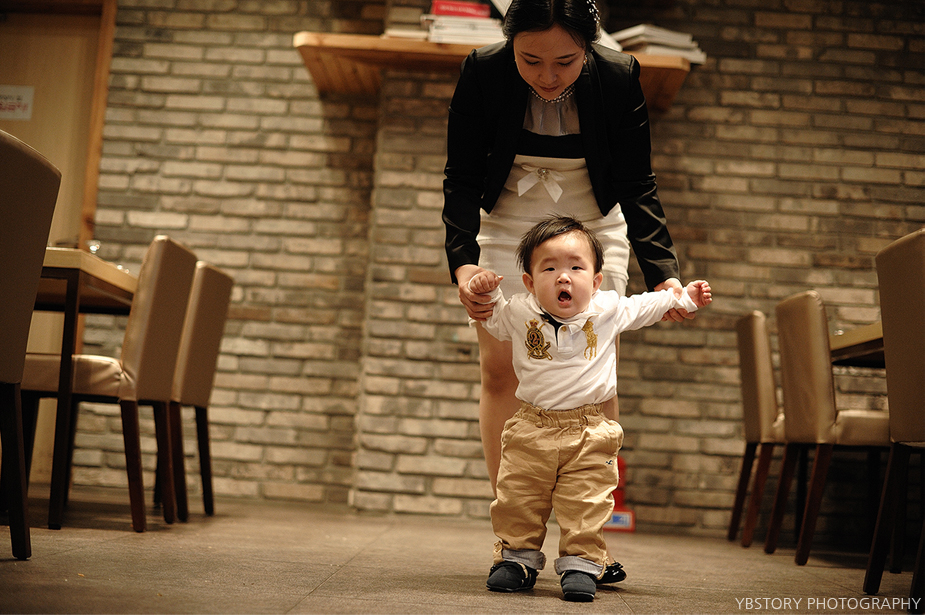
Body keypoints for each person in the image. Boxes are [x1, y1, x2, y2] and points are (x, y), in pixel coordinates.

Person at [442, 0, 691, 584]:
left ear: (589, 46)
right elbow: (461, 176)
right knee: (501, 371)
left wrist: (664, 275)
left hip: (593, 223)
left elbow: (637, 182)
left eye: (566, 61)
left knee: (595, 372)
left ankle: (588, 542)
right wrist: (464, 265)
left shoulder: (619, 75)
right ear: (510, 44)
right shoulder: (482, 70)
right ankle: (514, 538)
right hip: (507, 219)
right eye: (530, 61)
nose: (548, 77)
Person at [468, 216, 712, 601]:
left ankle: (581, 563)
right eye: (549, 269)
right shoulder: (519, 311)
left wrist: (684, 297)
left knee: (586, 501)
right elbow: (492, 319)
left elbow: (646, 305)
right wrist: (487, 292)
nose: (563, 277)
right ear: (529, 282)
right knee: (517, 496)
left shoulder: (607, 309)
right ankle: (516, 560)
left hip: (589, 430)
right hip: (531, 427)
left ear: (596, 280)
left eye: (576, 268)